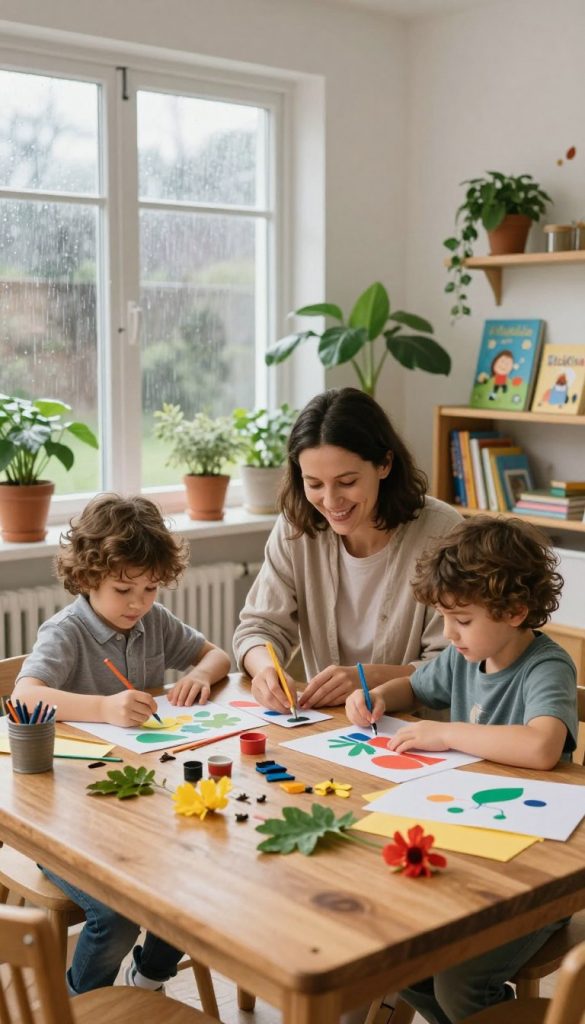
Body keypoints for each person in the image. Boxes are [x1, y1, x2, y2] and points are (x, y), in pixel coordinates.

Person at [346, 515, 578, 1024]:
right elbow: (413, 686)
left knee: (461, 981)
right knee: (398, 957)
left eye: (463, 620)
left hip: (536, 872)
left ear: (515, 611)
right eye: (443, 618)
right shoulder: (463, 659)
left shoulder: (547, 666)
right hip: (471, 852)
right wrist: (376, 697)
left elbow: (542, 747)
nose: (449, 634)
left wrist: (445, 732)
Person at [12, 493, 231, 996]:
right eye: (124, 588)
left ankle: (148, 977)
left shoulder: (152, 622)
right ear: (88, 578)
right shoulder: (65, 633)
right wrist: (104, 708)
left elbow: (215, 654)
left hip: (138, 807)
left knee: (192, 882)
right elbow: (25, 694)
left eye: (151, 588)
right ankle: (78, 1004)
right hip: (64, 819)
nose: (138, 603)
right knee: (115, 918)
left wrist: (198, 674)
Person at [233, 387, 461, 712]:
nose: (330, 501)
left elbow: (459, 664)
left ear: (384, 464)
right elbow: (260, 627)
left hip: (417, 734)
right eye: (313, 484)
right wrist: (265, 669)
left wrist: (371, 678)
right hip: (329, 729)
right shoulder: (296, 526)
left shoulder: (443, 531)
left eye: (347, 482)